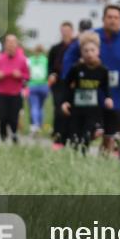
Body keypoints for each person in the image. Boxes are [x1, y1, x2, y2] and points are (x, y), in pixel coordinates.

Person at [63, 7, 120, 158]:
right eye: (109, 17)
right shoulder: (91, 37)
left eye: (116, 18)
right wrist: (70, 78)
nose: (112, 20)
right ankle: (79, 158)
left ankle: (102, 163)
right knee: (86, 132)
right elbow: (69, 56)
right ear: (103, 19)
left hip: (114, 97)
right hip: (89, 97)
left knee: (109, 135)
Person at [62, 31, 113, 154]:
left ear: (98, 51)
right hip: (77, 109)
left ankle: (83, 157)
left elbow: (106, 88)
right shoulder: (76, 68)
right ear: (81, 52)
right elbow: (66, 85)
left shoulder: (103, 70)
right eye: (86, 51)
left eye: (92, 50)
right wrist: (65, 102)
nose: (89, 54)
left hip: (93, 110)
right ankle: (73, 158)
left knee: (86, 137)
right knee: (75, 137)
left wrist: (108, 98)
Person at [0, 34, 30, 143]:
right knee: (2, 116)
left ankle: (14, 134)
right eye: (9, 42)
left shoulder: (22, 59)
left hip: (15, 93)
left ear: (16, 44)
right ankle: (3, 136)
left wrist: (20, 75)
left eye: (13, 42)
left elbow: (27, 76)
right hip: (1, 92)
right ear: (5, 44)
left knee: (14, 117)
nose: (11, 44)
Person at [48, 21, 76, 150]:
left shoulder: (76, 47)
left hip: (73, 83)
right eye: (63, 31)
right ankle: (58, 137)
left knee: (71, 110)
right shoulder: (55, 49)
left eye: (68, 31)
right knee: (59, 109)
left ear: (72, 31)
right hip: (59, 82)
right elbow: (50, 66)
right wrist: (52, 75)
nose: (65, 33)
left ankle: (70, 136)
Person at [27, 44, 50, 136]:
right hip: (44, 85)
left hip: (32, 84)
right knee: (41, 106)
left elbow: (27, 72)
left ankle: (35, 124)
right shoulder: (45, 60)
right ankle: (40, 125)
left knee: (34, 106)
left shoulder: (30, 60)